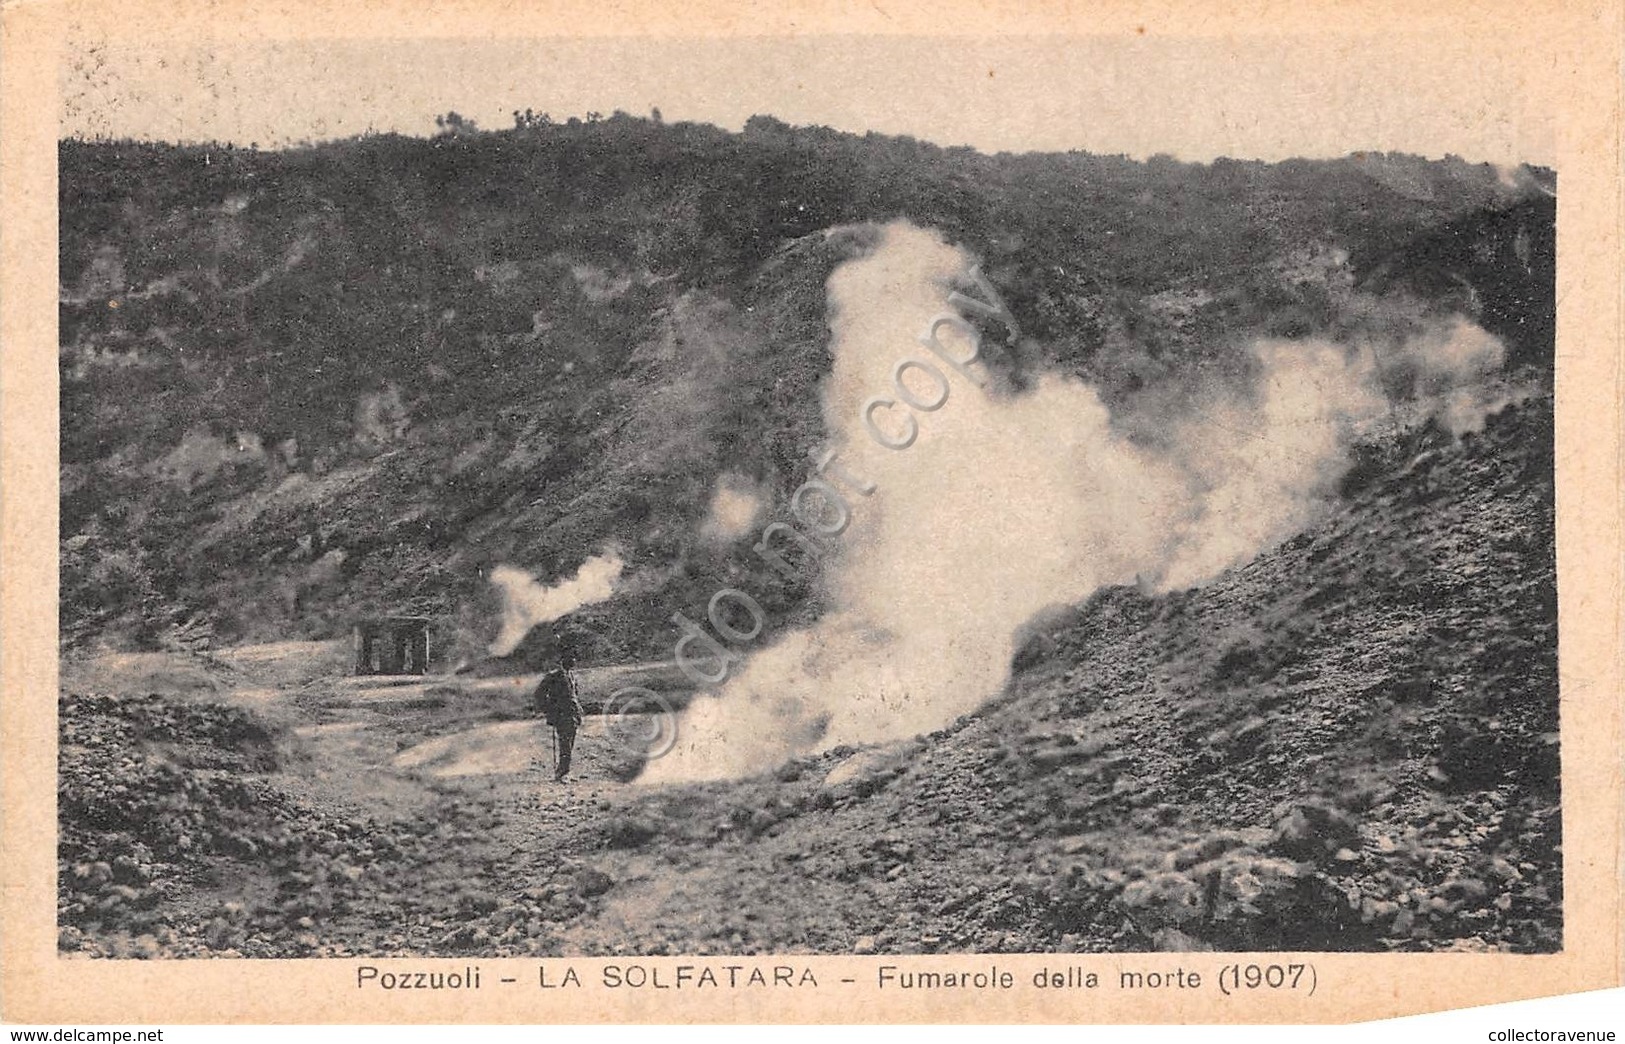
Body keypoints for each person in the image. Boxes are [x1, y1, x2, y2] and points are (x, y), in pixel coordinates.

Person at [532, 642, 583, 782]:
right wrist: (549, 710)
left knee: (570, 743)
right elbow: (539, 694)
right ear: (563, 660)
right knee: (565, 743)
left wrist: (579, 711)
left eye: (574, 658)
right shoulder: (553, 676)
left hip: (572, 715)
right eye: (570, 658)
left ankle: (564, 771)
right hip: (561, 715)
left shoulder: (572, 676)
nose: (574, 661)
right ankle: (561, 773)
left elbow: (574, 696)